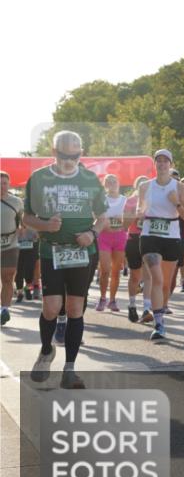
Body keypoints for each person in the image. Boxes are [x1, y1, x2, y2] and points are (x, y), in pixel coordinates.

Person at [24, 131, 108, 389]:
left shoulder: (90, 179)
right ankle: (47, 350)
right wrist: (45, 225)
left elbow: (103, 216)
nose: (70, 160)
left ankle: (70, 369)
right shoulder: (38, 179)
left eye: (75, 154)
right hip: (52, 251)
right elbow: (27, 218)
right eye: (64, 154)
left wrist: (92, 233)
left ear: (81, 153)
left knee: (74, 309)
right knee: (51, 308)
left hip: (82, 252)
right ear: (54, 152)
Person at [138, 150, 184, 341]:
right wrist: (138, 213)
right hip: (149, 235)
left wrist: (176, 203)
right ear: (154, 164)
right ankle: (159, 324)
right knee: (157, 278)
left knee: (166, 283)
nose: (161, 164)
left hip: (171, 236)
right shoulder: (145, 186)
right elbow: (141, 209)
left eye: (165, 161)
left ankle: (160, 312)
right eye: (158, 161)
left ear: (171, 164)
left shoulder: (179, 188)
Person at [95, 174, 128, 312]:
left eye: (115, 181)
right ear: (105, 185)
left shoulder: (125, 200)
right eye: (109, 182)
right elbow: (95, 216)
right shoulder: (101, 199)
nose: (113, 183)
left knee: (116, 271)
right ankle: (103, 298)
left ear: (119, 183)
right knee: (105, 270)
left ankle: (112, 300)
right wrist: (105, 221)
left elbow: (129, 219)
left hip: (120, 237)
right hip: (104, 237)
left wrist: (122, 221)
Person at [123, 175, 151, 323]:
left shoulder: (154, 200)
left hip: (150, 239)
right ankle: (132, 305)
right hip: (134, 239)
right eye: (141, 185)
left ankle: (147, 308)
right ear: (137, 187)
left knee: (148, 276)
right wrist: (136, 214)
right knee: (135, 276)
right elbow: (125, 223)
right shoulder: (131, 201)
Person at [1, 172, 23, 326]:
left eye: (4, 183)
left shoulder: (17, 202)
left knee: (8, 278)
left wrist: (24, 229)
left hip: (11, 245)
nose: (2, 186)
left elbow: (23, 221)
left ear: (9, 185)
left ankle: (4, 309)